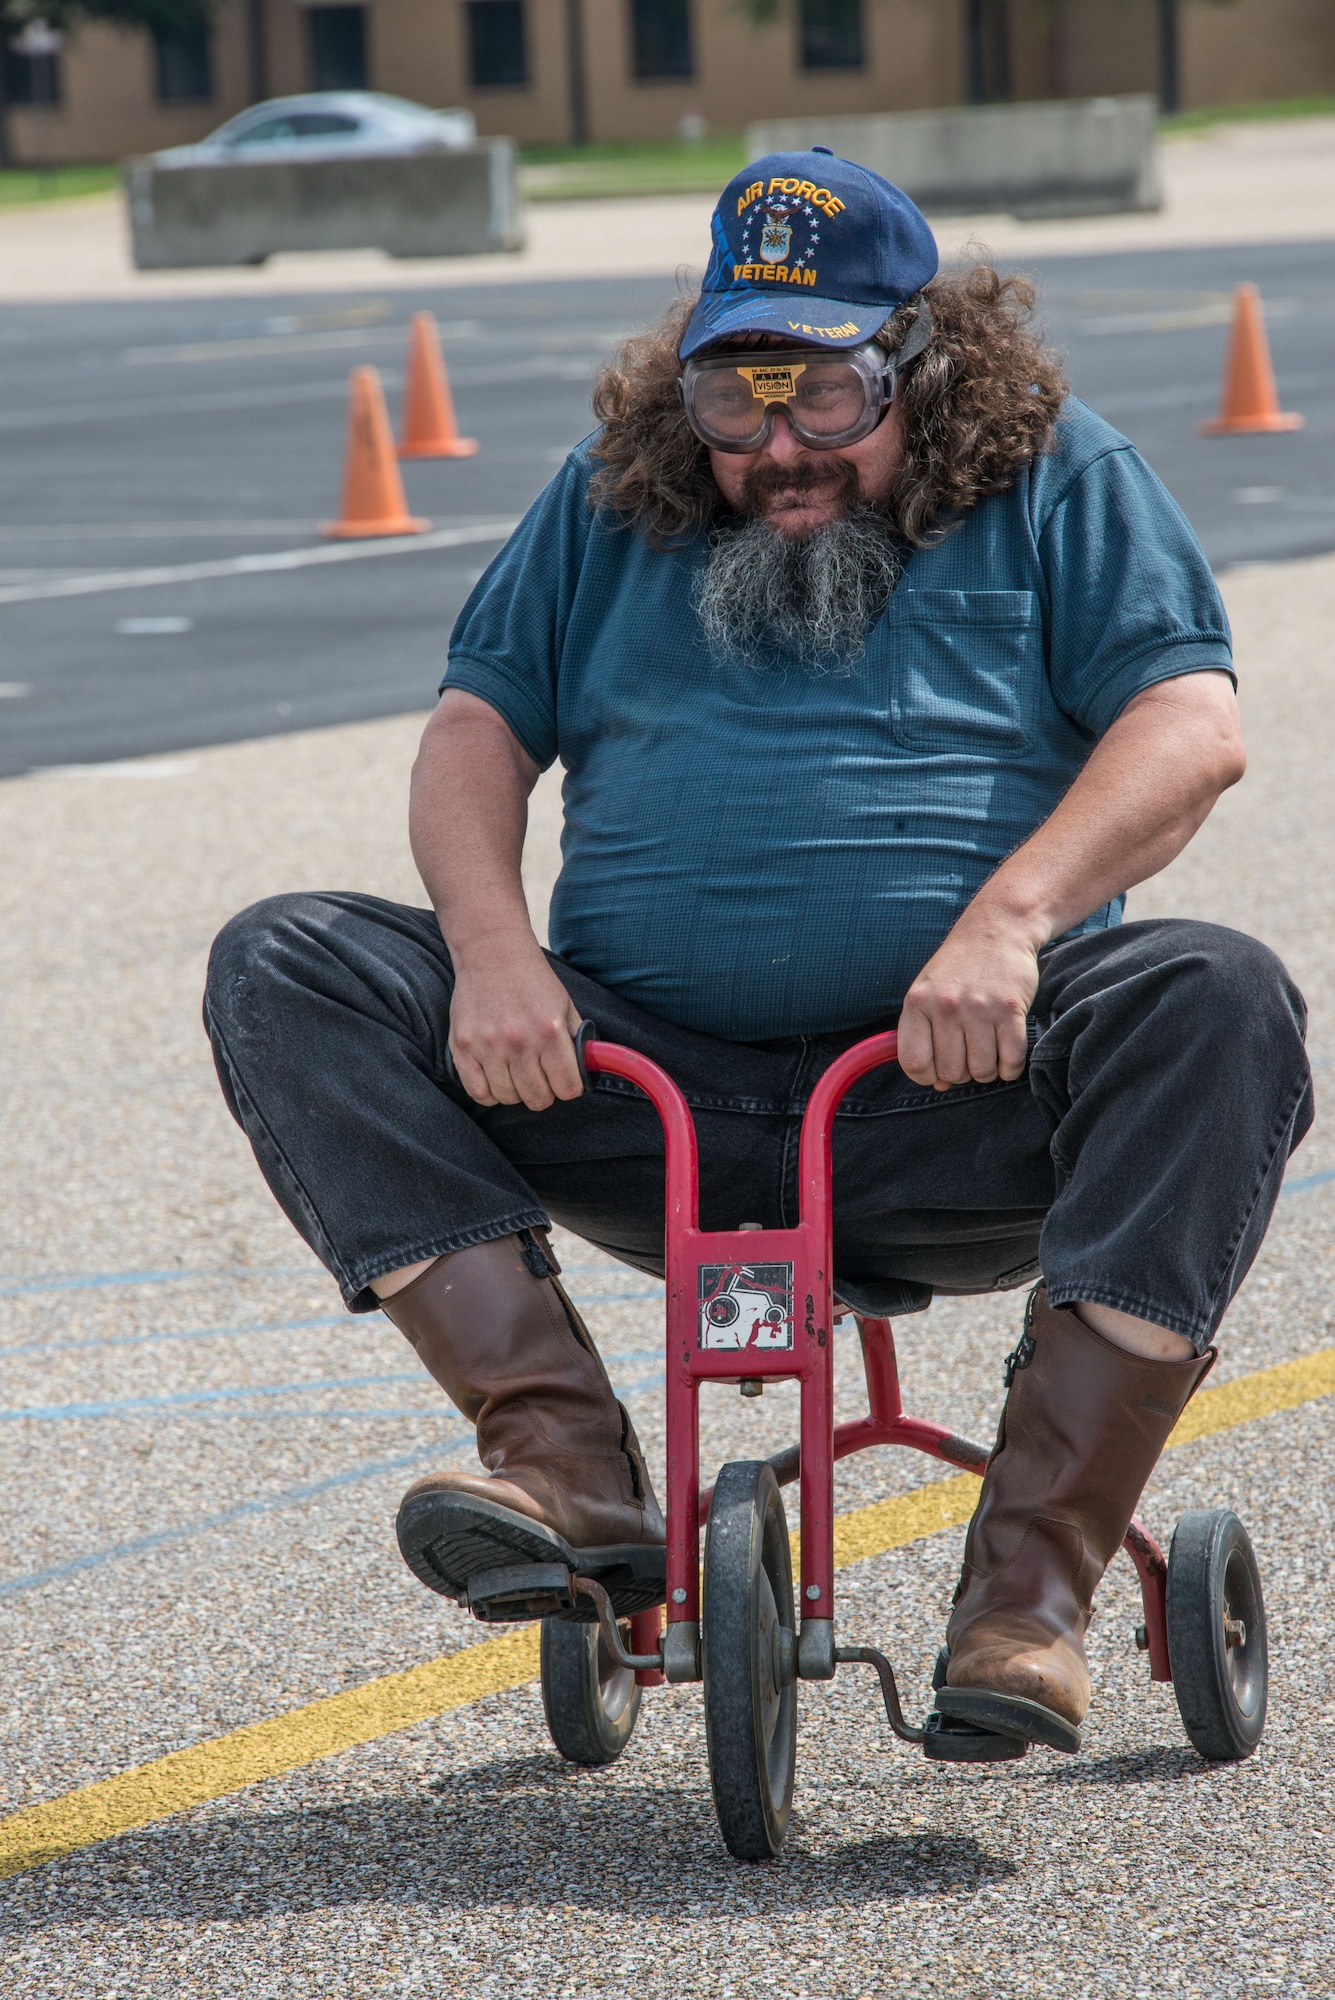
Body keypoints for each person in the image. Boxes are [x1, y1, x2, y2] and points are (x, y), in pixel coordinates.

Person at [205, 151, 1311, 1754]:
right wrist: (496, 953)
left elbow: (1191, 729)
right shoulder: (608, 497)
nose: (781, 446)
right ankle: (566, 1465)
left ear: (927, 364)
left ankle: (1032, 1590)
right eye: (739, 400)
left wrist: (1007, 928)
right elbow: (472, 733)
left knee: (1221, 999)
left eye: (831, 395)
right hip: (643, 1090)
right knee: (284, 962)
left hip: (957, 1086)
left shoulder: (1065, 478)